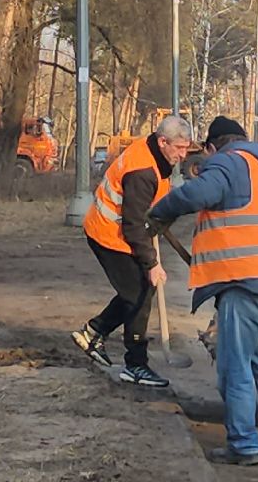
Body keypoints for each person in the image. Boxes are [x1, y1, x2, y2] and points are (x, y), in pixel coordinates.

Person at [148, 116, 258, 466]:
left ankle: (244, 445)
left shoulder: (229, 161)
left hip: (244, 281)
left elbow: (198, 193)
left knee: (235, 366)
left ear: (212, 147)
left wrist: (159, 211)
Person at [73, 115, 196, 387]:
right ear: (162, 142)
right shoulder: (142, 171)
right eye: (179, 148)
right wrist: (152, 263)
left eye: (186, 149)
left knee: (137, 291)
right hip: (108, 234)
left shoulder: (156, 155)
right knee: (140, 292)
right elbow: (132, 225)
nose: (183, 155)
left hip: (122, 231)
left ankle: (94, 332)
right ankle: (135, 365)